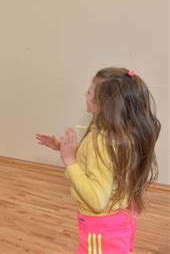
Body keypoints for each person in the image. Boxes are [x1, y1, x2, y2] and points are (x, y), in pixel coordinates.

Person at [36, 68, 160, 253]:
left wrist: (70, 160)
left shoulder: (100, 141)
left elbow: (96, 200)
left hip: (102, 228)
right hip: (120, 219)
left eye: (89, 91)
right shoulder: (119, 134)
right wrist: (64, 149)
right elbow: (104, 166)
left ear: (103, 103)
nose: (85, 94)